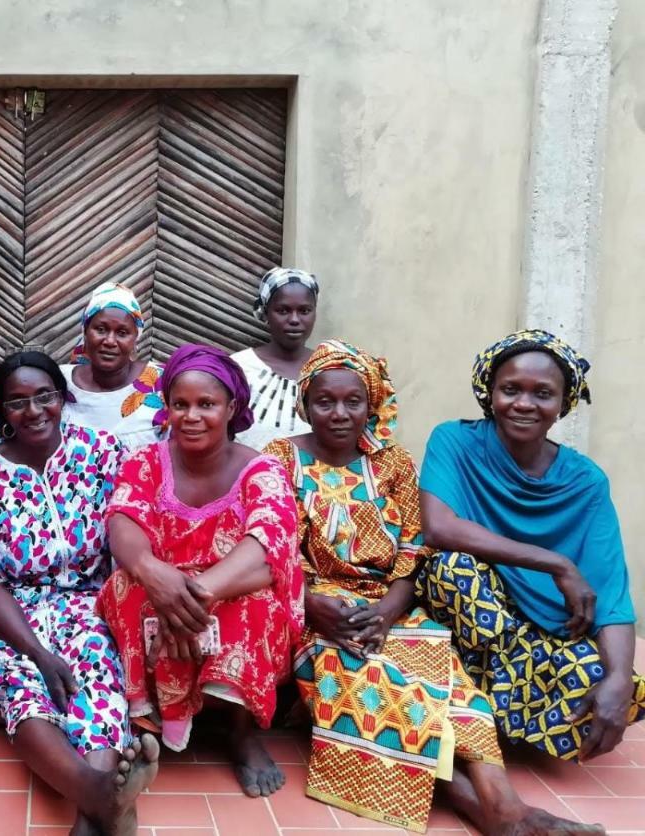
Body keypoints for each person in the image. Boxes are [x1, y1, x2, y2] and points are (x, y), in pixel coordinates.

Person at [264, 341, 596, 835]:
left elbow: (413, 546)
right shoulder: (278, 457)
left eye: (353, 402)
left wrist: (394, 608)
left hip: (392, 605)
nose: (338, 414)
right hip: (317, 607)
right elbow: (273, 549)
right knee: (377, 687)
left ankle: (506, 802)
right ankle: (494, 814)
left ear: (372, 403)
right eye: (324, 402)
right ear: (305, 403)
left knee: (454, 690)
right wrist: (313, 607)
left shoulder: (392, 463)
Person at [419, 329, 645, 763]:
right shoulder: (454, 441)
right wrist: (557, 564)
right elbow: (439, 528)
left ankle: (493, 715)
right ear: (490, 392)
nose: (524, 404)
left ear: (563, 404)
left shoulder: (586, 481)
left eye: (543, 393)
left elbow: (611, 591)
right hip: (477, 615)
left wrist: (618, 676)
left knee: (614, 688)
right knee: (451, 570)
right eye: (510, 390)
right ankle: (493, 715)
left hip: (549, 629)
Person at [0, 349, 158, 836]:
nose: (33, 411)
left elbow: (130, 528)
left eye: (44, 396)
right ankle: (102, 798)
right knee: (24, 690)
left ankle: (90, 819)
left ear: (63, 397)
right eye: (17, 402)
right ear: (1, 412)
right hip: (9, 610)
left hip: (88, 598)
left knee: (98, 679)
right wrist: (39, 653)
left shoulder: (101, 451)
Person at [98, 343, 302, 799]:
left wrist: (195, 595)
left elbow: (270, 546)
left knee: (258, 605)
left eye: (206, 404)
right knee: (124, 586)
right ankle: (151, 718)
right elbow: (122, 522)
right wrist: (155, 573)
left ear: (231, 407)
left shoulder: (261, 469)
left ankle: (240, 730)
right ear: (166, 408)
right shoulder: (147, 462)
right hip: (165, 584)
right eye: (180, 404)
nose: (191, 416)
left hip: (227, 591)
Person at [60, 281, 165, 449]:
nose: (109, 341)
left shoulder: (160, 383)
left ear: (135, 339)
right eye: (101, 329)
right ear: (85, 332)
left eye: (122, 333)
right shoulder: (58, 382)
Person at [231, 266, 318, 450]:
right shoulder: (239, 368)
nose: (294, 319)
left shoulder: (329, 368)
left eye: (304, 311)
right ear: (266, 312)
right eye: (283, 310)